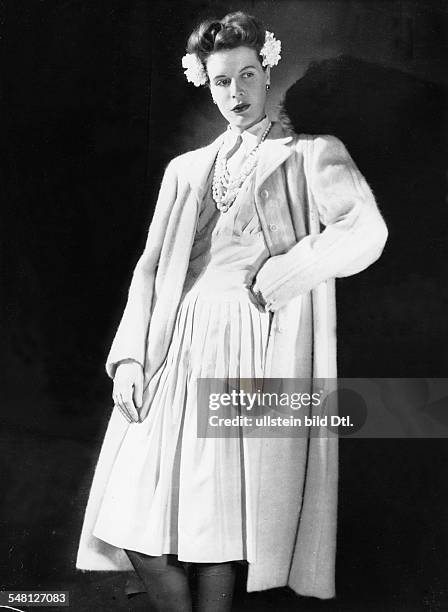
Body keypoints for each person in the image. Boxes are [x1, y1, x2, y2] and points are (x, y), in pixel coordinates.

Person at [76, 11, 388, 611]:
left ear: (267, 72)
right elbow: (149, 270)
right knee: (136, 515)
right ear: (206, 84)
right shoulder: (185, 169)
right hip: (177, 345)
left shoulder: (311, 154)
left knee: (215, 526)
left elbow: (364, 228)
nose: (236, 93)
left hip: (252, 342)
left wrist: (284, 275)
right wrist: (132, 360)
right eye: (222, 81)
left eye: (247, 75)